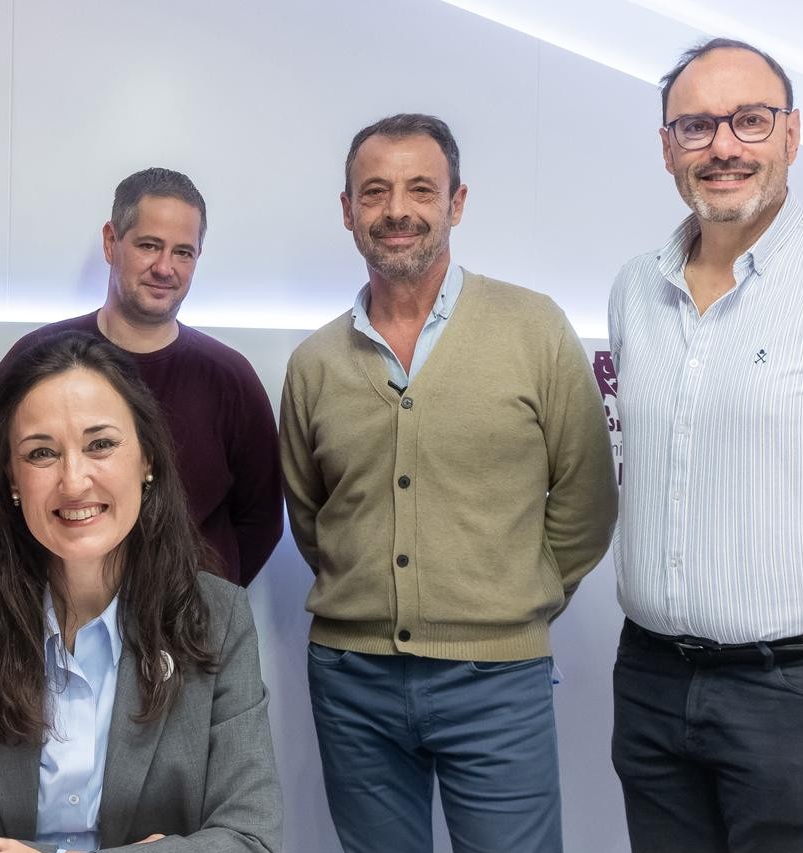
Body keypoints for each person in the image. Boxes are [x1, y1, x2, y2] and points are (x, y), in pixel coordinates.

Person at [279, 113, 616, 853]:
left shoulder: (534, 329)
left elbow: (588, 498)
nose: (397, 210)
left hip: (498, 680)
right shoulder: (314, 363)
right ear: (347, 210)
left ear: (457, 202)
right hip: (352, 679)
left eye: (421, 189)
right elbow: (313, 516)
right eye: (375, 192)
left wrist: (512, 596)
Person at [609, 38, 803, 853]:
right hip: (652, 681)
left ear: (792, 135)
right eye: (696, 126)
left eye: (750, 121)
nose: (723, 146)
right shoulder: (635, 287)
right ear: (668, 147)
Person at [0, 333, 282, 853]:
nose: (74, 481)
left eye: (100, 444)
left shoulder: (218, 619)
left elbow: (252, 838)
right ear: (12, 480)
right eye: (41, 453)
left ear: (147, 459)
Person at [0, 168, 282, 587]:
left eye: (183, 253)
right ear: (111, 242)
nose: (165, 268)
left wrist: (207, 596)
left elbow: (261, 520)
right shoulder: (38, 359)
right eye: (149, 246)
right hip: (52, 610)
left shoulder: (230, 378)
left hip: (189, 616)